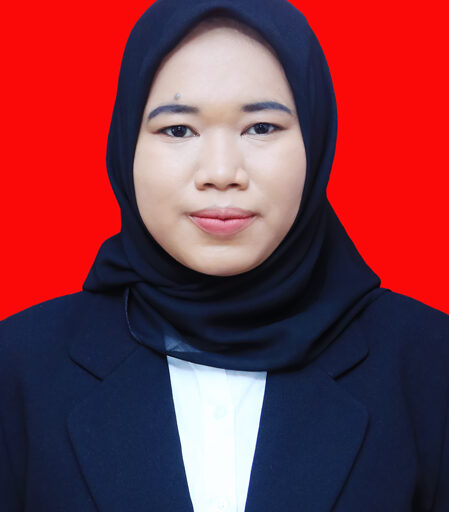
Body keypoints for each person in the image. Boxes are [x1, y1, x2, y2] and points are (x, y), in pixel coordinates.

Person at [1, 0, 448, 510]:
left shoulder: (431, 363)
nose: (220, 172)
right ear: (126, 144)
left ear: (317, 137)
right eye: (178, 130)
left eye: (261, 127)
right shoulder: (18, 366)